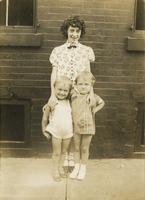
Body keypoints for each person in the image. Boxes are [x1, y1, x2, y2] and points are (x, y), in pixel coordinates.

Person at [44, 15, 95, 169]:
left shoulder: (86, 51)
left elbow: (88, 74)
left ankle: (72, 154)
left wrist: (91, 93)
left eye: (78, 31)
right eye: (72, 30)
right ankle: (64, 154)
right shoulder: (57, 51)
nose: (75, 34)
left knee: (77, 123)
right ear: (66, 31)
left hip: (79, 94)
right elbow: (54, 74)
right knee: (64, 121)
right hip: (62, 92)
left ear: (81, 33)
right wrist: (53, 94)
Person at [69, 71, 105, 180]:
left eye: (86, 84)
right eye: (80, 84)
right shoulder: (74, 95)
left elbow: (102, 103)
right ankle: (76, 167)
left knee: (84, 148)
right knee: (76, 148)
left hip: (88, 127)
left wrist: (95, 110)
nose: (83, 87)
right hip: (76, 126)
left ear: (91, 86)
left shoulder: (93, 97)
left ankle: (83, 168)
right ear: (76, 85)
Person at [42, 76, 73, 182]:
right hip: (56, 132)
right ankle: (55, 170)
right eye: (59, 89)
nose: (62, 93)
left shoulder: (70, 102)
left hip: (68, 131)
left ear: (69, 92)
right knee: (56, 152)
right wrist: (44, 130)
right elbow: (45, 118)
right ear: (54, 89)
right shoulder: (52, 102)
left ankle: (60, 167)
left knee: (64, 152)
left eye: (65, 91)